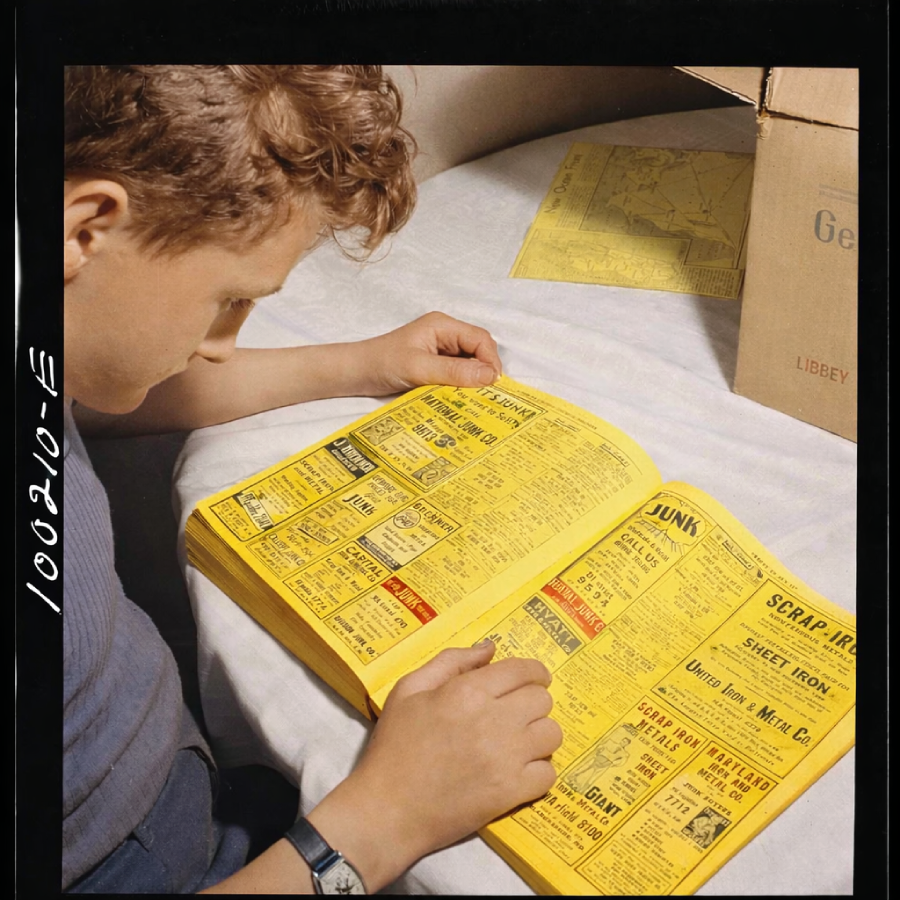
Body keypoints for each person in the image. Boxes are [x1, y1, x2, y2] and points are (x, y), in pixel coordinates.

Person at [63, 65, 563, 893]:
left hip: (166, 768)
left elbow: (93, 380)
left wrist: (359, 363)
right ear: (87, 228)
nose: (225, 341)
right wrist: (386, 816)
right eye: (228, 299)